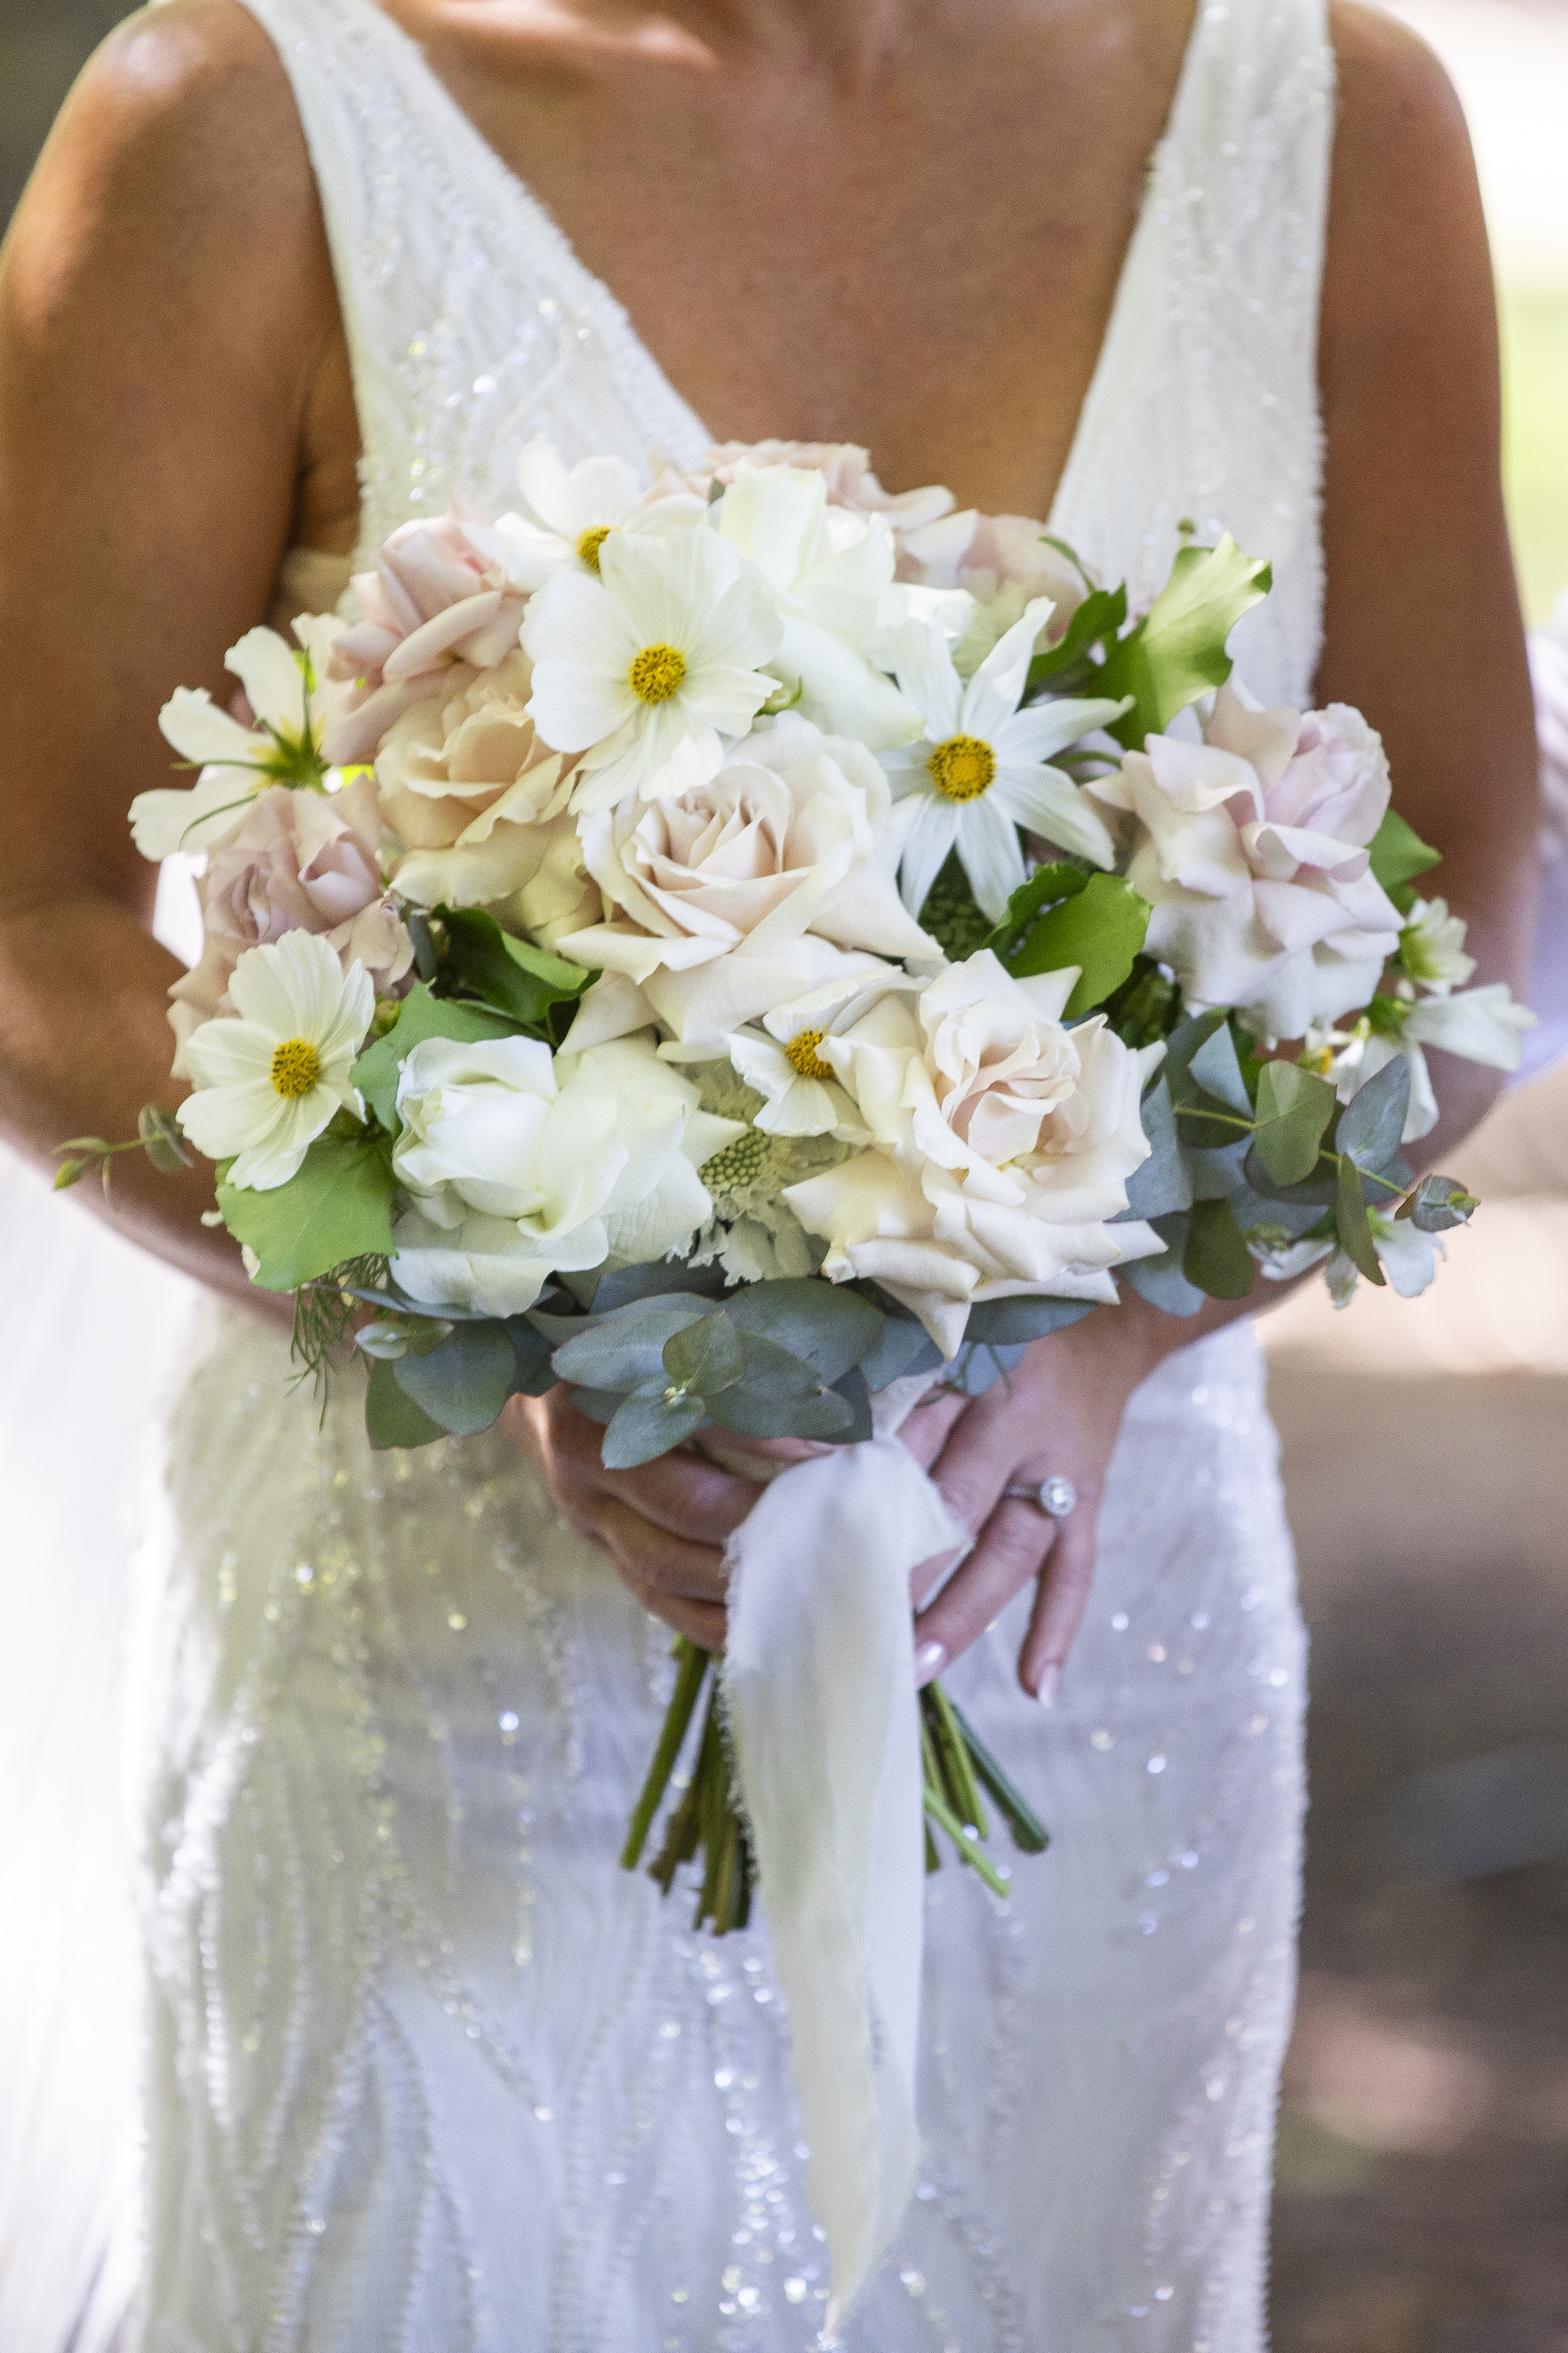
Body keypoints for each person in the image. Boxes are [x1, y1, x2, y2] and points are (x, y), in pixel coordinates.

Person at [0, 0, 1538, 2342]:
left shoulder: (1332, 115)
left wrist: (1114, 1335)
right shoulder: (234, 119)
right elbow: (28, 919)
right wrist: (493, 1310)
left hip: (1068, 1617)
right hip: (427, 1686)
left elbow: (1471, 907)